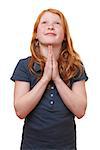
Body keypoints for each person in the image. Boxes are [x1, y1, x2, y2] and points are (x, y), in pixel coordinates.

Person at [11, 8, 88, 150]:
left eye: (57, 23)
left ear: (64, 35)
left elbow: (80, 111)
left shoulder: (76, 67)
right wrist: (45, 78)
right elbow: (20, 111)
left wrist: (57, 79)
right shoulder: (24, 66)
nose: (50, 26)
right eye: (44, 22)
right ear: (36, 34)